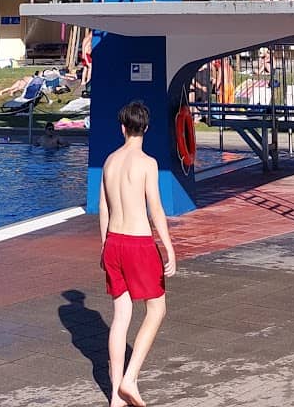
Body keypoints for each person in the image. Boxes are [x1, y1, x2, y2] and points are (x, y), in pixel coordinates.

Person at [98, 100, 176, 407]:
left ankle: (116, 396)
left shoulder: (109, 162)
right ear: (145, 129)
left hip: (114, 242)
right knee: (156, 310)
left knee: (121, 317)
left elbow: (103, 207)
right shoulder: (147, 163)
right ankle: (130, 379)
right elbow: (155, 208)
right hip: (139, 244)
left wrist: (104, 246)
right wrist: (168, 246)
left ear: (122, 128)